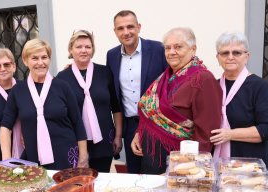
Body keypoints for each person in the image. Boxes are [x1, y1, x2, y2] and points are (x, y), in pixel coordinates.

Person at [131, 27, 222, 174]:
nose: (171, 52)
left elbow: (207, 131)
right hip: (151, 156)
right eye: (168, 48)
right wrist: (139, 132)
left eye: (178, 47)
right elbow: (150, 111)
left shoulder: (203, 79)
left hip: (180, 163)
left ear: (193, 49)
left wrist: (193, 167)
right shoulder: (164, 77)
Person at [0, 39, 88, 170]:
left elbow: (77, 122)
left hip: (67, 157)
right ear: (25, 61)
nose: (40, 63)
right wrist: (7, 160)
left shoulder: (62, 87)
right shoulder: (18, 91)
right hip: (33, 160)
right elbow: (5, 127)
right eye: (34, 58)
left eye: (44, 57)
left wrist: (83, 156)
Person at [106, 10, 167, 174]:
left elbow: (171, 82)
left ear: (139, 27)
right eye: (120, 28)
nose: (126, 32)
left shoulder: (158, 49)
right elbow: (113, 94)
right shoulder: (111, 55)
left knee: (155, 176)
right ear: (115, 31)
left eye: (130, 26)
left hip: (156, 126)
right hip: (130, 125)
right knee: (133, 174)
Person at [210, 32, 268, 170]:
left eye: (236, 53)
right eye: (224, 53)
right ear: (218, 58)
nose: (230, 57)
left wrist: (229, 134)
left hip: (248, 167)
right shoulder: (214, 86)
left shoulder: (259, 86)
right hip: (217, 166)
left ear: (246, 57)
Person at [56, 30, 123, 172]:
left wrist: (118, 136)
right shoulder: (62, 78)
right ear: (70, 50)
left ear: (93, 50)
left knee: (102, 180)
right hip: (75, 142)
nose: (83, 50)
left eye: (88, 47)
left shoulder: (105, 72)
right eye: (78, 47)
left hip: (104, 140)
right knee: (79, 183)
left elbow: (116, 107)